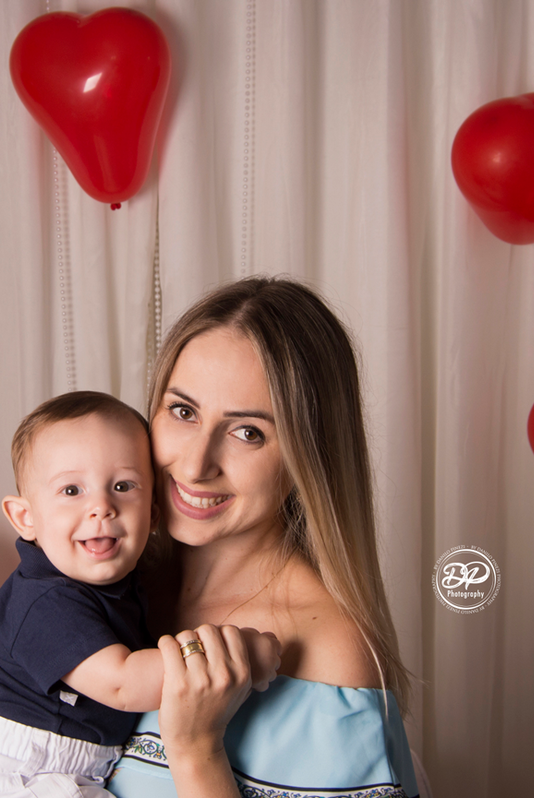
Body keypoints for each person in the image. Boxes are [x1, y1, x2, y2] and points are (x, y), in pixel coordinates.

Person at [106, 276, 421, 798]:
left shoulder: (329, 653)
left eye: (247, 431)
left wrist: (196, 750)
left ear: (307, 460)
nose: (195, 463)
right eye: (183, 411)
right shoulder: (110, 582)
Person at [0, 391, 281, 798]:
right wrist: (237, 654)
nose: (102, 507)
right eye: (72, 491)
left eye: (123, 486)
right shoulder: (43, 601)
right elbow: (123, 684)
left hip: (69, 765)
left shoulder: (126, 585)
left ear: (153, 515)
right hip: (13, 770)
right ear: (26, 517)